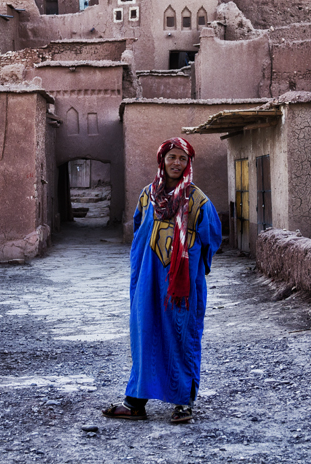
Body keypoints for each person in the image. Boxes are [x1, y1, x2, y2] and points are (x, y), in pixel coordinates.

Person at [103, 137, 222, 424]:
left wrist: (189, 268)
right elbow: (138, 235)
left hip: (180, 286)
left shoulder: (197, 200)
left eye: (182, 158)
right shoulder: (147, 196)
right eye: (172, 158)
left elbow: (211, 238)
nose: (177, 163)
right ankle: (135, 403)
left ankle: (183, 403)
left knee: (181, 335)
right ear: (162, 161)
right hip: (147, 280)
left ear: (188, 163)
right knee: (144, 334)